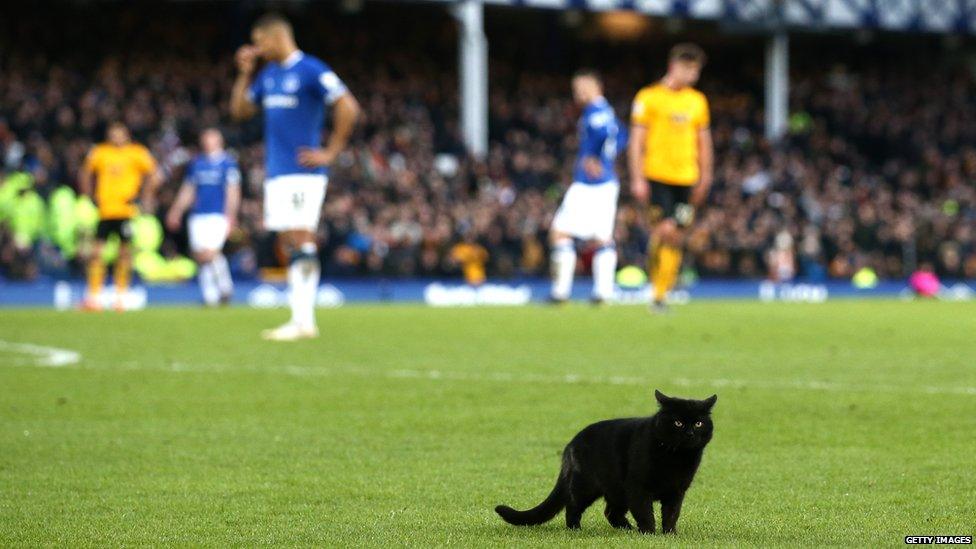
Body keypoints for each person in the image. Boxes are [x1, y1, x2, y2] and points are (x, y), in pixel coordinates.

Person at [230, 13, 360, 340]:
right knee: (291, 242)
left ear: (275, 38)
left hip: (303, 172)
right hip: (277, 172)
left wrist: (331, 151)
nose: (257, 49)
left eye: (259, 42)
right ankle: (301, 318)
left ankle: (303, 321)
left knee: (302, 239)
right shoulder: (269, 74)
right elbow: (240, 112)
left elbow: (348, 106)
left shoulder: (311, 69)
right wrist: (245, 74)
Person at [628, 44, 713, 313]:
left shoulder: (697, 101)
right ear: (674, 66)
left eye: (697, 71)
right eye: (690, 70)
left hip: (687, 178)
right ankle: (657, 290)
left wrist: (706, 175)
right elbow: (636, 140)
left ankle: (661, 294)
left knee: (676, 235)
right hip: (656, 175)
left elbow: (704, 141)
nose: (694, 76)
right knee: (664, 230)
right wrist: (636, 177)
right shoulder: (649, 97)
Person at [549, 70, 624, 304]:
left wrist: (596, 157)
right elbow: (622, 135)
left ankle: (561, 293)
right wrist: (608, 158)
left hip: (589, 183)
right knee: (602, 237)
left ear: (594, 87)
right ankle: (603, 293)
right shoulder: (606, 111)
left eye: (580, 88)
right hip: (605, 183)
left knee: (560, 231)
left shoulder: (596, 112)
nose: (577, 93)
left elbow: (605, 134)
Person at [79, 122, 161, 311]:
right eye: (113, 133)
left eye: (120, 133)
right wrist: (88, 195)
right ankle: (94, 296)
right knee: (96, 252)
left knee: (124, 254)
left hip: (126, 211)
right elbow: (85, 172)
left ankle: (120, 296)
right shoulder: (100, 152)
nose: (116, 137)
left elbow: (155, 174)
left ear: (127, 135)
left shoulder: (137, 153)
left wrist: (145, 196)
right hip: (105, 210)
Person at [166, 128, 241, 306]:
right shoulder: (197, 164)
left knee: (211, 253)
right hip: (198, 215)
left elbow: (233, 191)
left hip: (217, 214)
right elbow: (188, 190)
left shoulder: (227, 164)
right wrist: (176, 210)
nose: (208, 142)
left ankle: (225, 287)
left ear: (219, 141)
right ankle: (210, 296)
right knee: (200, 255)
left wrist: (231, 215)